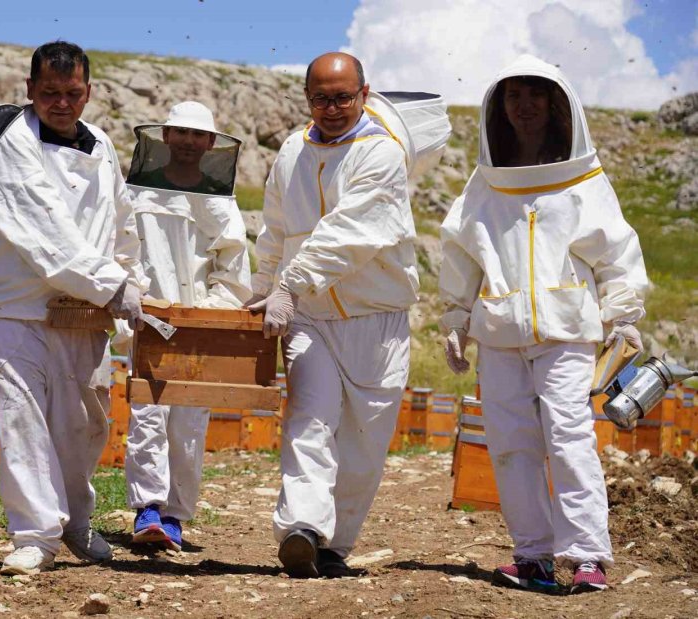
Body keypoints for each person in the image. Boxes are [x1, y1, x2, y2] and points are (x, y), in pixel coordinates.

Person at [438, 54, 648, 594]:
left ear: (555, 103)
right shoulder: (485, 184)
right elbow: (462, 254)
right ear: (499, 108)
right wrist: (455, 318)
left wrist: (623, 316)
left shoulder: (583, 178)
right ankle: (531, 555)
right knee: (510, 443)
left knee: (570, 438)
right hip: (501, 334)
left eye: (534, 94)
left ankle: (587, 557)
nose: (524, 106)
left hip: (566, 331)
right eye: (513, 96)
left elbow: (616, 253)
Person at [0, 41, 148, 576]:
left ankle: (74, 522)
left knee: (83, 422)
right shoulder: (10, 144)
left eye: (72, 93)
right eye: (50, 93)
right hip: (12, 304)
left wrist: (128, 281)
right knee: (21, 420)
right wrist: (112, 284)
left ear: (88, 93)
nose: (61, 103)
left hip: (83, 311)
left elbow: (122, 223)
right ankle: (33, 535)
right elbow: (42, 230)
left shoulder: (103, 147)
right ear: (29, 91)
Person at [249, 52, 418, 578]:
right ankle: (302, 527)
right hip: (309, 316)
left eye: (343, 96)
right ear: (307, 99)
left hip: (377, 318)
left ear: (365, 94)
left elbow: (350, 233)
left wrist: (289, 285)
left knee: (364, 441)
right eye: (321, 97)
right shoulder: (291, 152)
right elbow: (274, 232)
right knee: (309, 418)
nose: (332, 107)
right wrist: (264, 294)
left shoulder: (382, 154)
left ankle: (334, 545)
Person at [118, 101, 253, 551]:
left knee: (190, 420)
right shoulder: (136, 193)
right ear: (166, 137)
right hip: (149, 319)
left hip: (201, 326)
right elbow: (123, 249)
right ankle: (148, 510)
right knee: (148, 413)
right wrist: (140, 297)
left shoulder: (221, 201)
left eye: (198, 136)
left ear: (212, 143)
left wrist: (210, 314)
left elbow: (232, 267)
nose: (190, 143)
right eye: (181, 134)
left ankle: (175, 515)